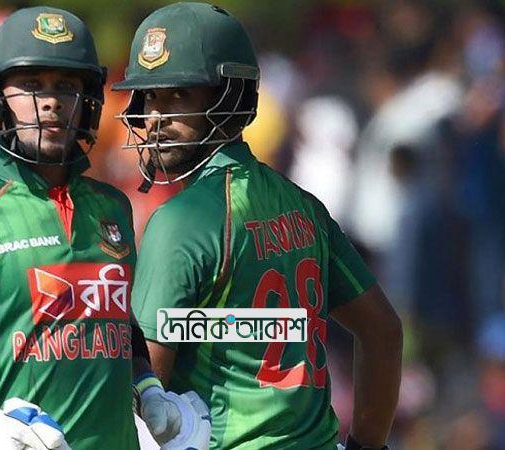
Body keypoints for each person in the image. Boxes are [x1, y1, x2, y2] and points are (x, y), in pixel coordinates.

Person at [0, 7, 204, 450]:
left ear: (88, 100)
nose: (51, 101)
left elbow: (113, 322)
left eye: (66, 86)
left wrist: (147, 386)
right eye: (31, 85)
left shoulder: (114, 208)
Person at [113, 3, 403, 449]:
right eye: (150, 97)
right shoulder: (303, 205)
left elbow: (145, 399)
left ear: (230, 98)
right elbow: (383, 330)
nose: (155, 117)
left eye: (178, 96)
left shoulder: (180, 221)